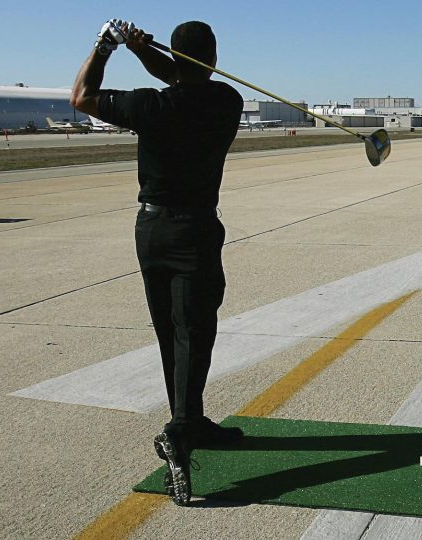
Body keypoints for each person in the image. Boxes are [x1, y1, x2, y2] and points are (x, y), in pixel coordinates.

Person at [70, 19, 243, 506]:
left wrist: (109, 46)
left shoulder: (150, 104)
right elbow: (185, 78)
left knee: (173, 332)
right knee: (194, 331)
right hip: (195, 232)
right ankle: (182, 431)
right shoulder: (225, 100)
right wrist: (147, 52)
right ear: (212, 59)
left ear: (176, 57)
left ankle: (191, 419)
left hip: (151, 231)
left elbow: (81, 97)